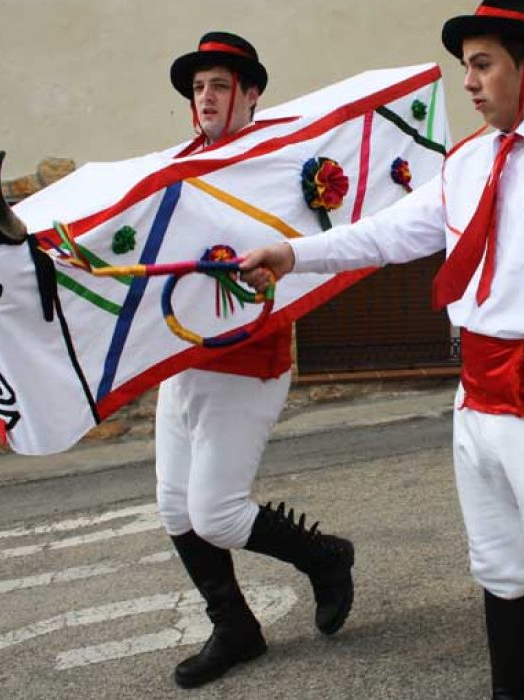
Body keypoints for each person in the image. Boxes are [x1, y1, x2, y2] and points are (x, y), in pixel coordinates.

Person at [240, 2, 524, 698]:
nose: (467, 82)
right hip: (477, 399)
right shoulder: (467, 161)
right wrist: (293, 253)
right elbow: (384, 236)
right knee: (498, 567)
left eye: (482, 64)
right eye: (464, 66)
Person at [157, 32, 354, 690]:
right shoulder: (177, 163)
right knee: (175, 509)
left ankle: (325, 558)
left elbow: (301, 249)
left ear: (250, 93)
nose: (204, 98)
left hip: (248, 359)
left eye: (217, 85)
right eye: (197, 88)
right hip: (180, 356)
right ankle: (236, 627)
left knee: (215, 512)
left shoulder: (274, 163)